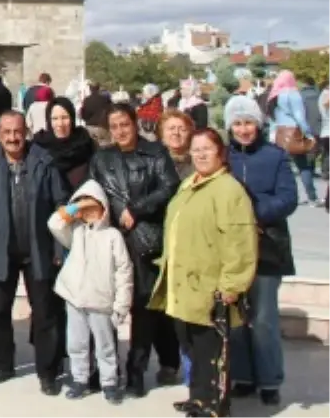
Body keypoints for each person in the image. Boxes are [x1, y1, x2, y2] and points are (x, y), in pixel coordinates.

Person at [150, 128, 258, 418]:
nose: (199, 154)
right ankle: (198, 398)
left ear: (220, 153)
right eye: (195, 149)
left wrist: (233, 283)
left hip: (211, 286)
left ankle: (214, 405)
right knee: (193, 348)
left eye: (206, 149)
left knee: (211, 352)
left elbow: (240, 241)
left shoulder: (228, 189)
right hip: (186, 283)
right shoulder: (190, 184)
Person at [0, 111, 68, 393]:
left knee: (45, 314)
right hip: (0, 254)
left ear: (27, 131)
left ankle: (47, 371)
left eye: (18, 132)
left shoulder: (44, 162)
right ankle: (2, 364)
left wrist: (59, 247)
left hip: (38, 250)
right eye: (7, 132)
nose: (13, 138)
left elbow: (62, 207)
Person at [89, 103, 181, 397]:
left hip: (145, 239)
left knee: (143, 309)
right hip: (112, 240)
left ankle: (136, 370)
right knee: (106, 307)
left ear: (134, 123)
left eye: (124, 125)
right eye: (114, 127)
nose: (120, 131)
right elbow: (95, 193)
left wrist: (137, 209)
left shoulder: (155, 153)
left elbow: (169, 186)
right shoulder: (102, 158)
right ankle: (105, 368)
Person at [223, 95, 297, 408]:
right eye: (237, 123)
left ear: (259, 124)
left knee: (264, 318)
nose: (243, 129)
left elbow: (288, 198)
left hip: (267, 246)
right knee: (236, 317)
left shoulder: (275, 156)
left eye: (248, 123)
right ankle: (242, 376)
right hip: (232, 251)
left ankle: (269, 379)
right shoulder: (223, 157)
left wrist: (253, 211)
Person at [48, 180, 133, 404]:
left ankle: (109, 382)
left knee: (105, 346)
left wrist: (121, 306)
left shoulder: (113, 236)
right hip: (75, 298)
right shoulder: (75, 232)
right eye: (84, 208)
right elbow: (54, 223)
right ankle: (80, 378)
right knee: (76, 343)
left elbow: (124, 272)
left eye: (93, 206)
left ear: (104, 208)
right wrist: (76, 207)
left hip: (101, 301)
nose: (89, 211)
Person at [265, 70, 319, 207]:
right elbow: (299, 117)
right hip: (293, 132)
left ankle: (286, 196)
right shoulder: (293, 94)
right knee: (303, 167)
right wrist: (308, 134)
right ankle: (312, 197)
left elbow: (272, 119)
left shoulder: (273, 96)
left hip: (279, 133)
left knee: (282, 168)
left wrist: (272, 136)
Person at [159, 109, 196, 179]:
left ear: (190, 134)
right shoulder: (152, 160)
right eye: (171, 128)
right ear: (162, 133)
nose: (176, 133)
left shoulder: (197, 160)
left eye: (182, 129)